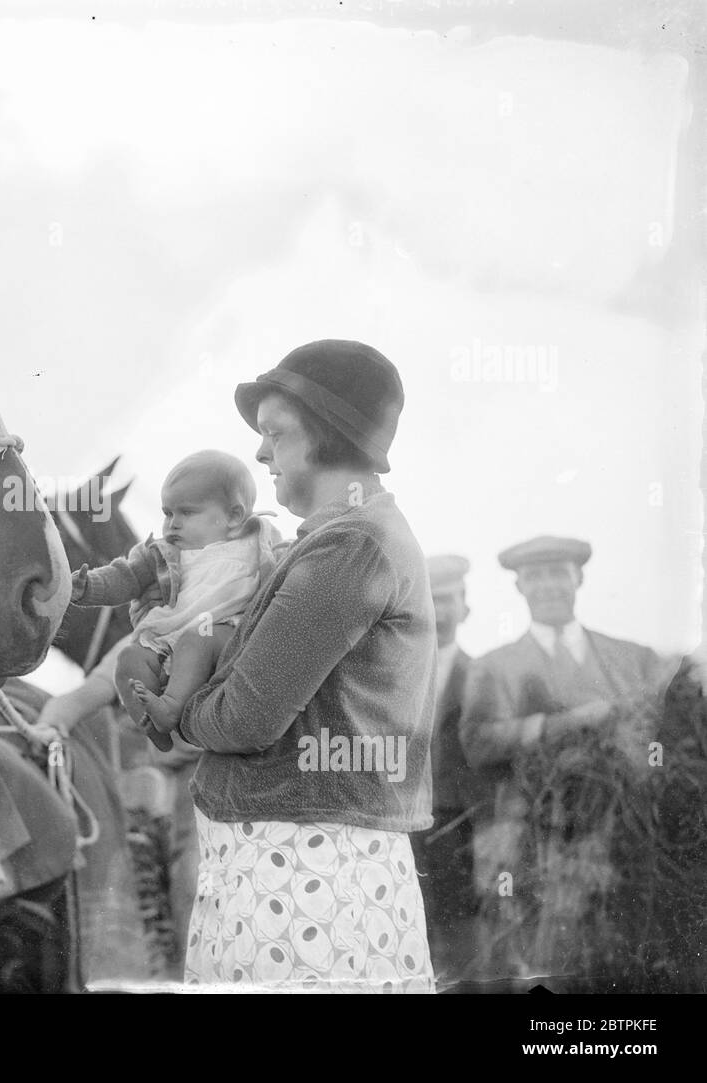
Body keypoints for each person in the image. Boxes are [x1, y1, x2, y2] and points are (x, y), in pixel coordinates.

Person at [171, 339, 437, 992]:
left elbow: (243, 719)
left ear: (331, 436)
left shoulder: (351, 546)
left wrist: (180, 704)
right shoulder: (345, 538)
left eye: (275, 434)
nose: (260, 454)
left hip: (305, 891)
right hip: (300, 878)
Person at [459, 535, 672, 982]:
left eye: (558, 573)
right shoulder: (495, 667)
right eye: (535, 576)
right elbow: (478, 744)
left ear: (579, 578)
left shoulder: (632, 658)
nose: (548, 585)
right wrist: (562, 723)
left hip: (621, 841)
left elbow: (662, 741)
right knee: (541, 964)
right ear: (519, 586)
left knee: (622, 958)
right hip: (532, 843)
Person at [68, 450, 284, 751]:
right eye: (168, 513)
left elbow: (290, 569)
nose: (173, 524)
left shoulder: (258, 539)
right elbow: (125, 577)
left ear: (234, 516)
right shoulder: (162, 554)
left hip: (229, 635)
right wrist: (88, 587)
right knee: (129, 659)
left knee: (198, 638)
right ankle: (153, 725)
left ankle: (169, 707)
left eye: (187, 513)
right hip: (172, 639)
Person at [36, 633, 202, 977]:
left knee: (194, 880)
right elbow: (78, 700)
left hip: (210, 790)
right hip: (159, 792)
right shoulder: (151, 637)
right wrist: (50, 725)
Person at [410, 554, 480, 985]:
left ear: (466, 608)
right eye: (432, 600)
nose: (442, 609)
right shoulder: (395, 674)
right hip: (402, 822)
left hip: (461, 826)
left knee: (460, 938)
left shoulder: (483, 675)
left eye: (450, 599)